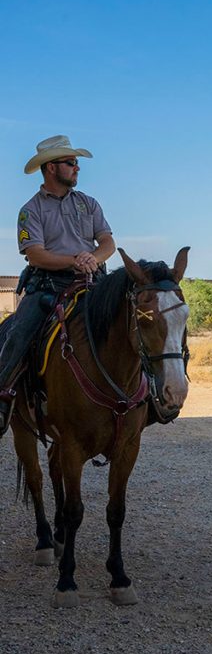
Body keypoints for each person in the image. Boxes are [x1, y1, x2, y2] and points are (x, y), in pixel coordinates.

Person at [0, 135, 115, 436]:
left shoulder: (89, 204)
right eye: (71, 163)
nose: (77, 168)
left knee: (133, 322)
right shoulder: (31, 210)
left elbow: (108, 241)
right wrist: (73, 261)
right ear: (51, 168)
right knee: (17, 334)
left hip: (92, 281)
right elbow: (36, 253)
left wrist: (93, 257)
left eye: (76, 163)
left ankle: (149, 397)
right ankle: (3, 397)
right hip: (47, 287)